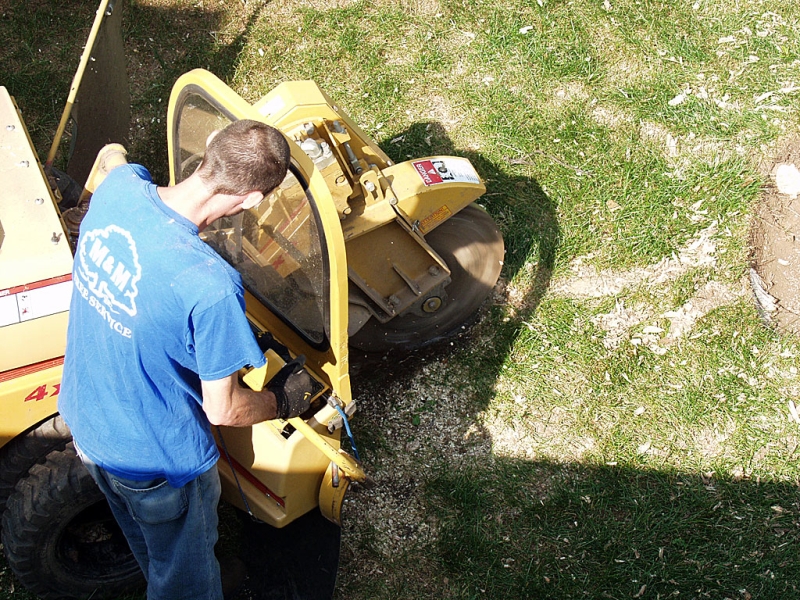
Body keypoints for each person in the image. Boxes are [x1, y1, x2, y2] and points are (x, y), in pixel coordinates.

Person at [58, 119, 314, 600]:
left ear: (210, 148)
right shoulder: (210, 287)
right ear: (253, 200)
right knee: (187, 583)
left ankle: (171, 576)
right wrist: (282, 401)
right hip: (160, 463)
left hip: (88, 422)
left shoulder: (119, 186)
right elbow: (223, 410)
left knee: (150, 542)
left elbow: (117, 162)